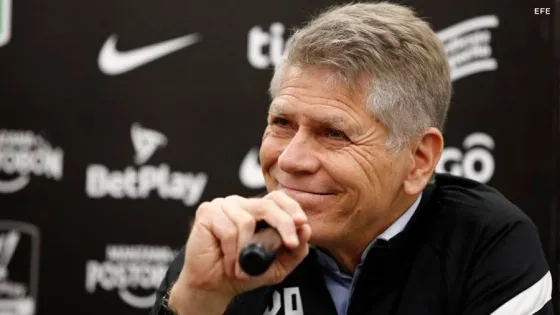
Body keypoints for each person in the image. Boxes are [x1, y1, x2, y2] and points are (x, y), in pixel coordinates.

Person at [150, 2, 553, 314]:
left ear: (417, 158)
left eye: (333, 133)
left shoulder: (487, 242)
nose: (290, 160)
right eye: (283, 123)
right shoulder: (232, 244)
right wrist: (199, 299)